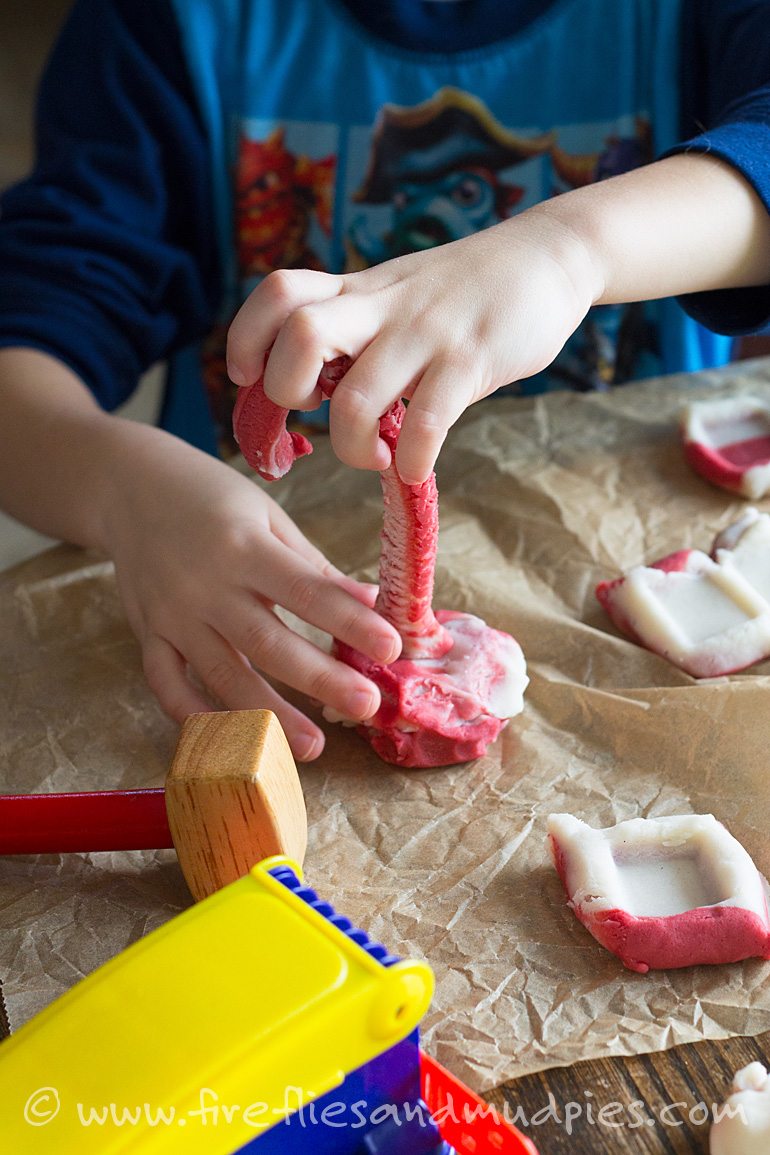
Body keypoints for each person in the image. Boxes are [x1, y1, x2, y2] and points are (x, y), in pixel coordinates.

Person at [0, 0, 769, 761]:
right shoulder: (169, 23)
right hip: (223, 547)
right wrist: (121, 490)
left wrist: (572, 251)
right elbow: (33, 324)